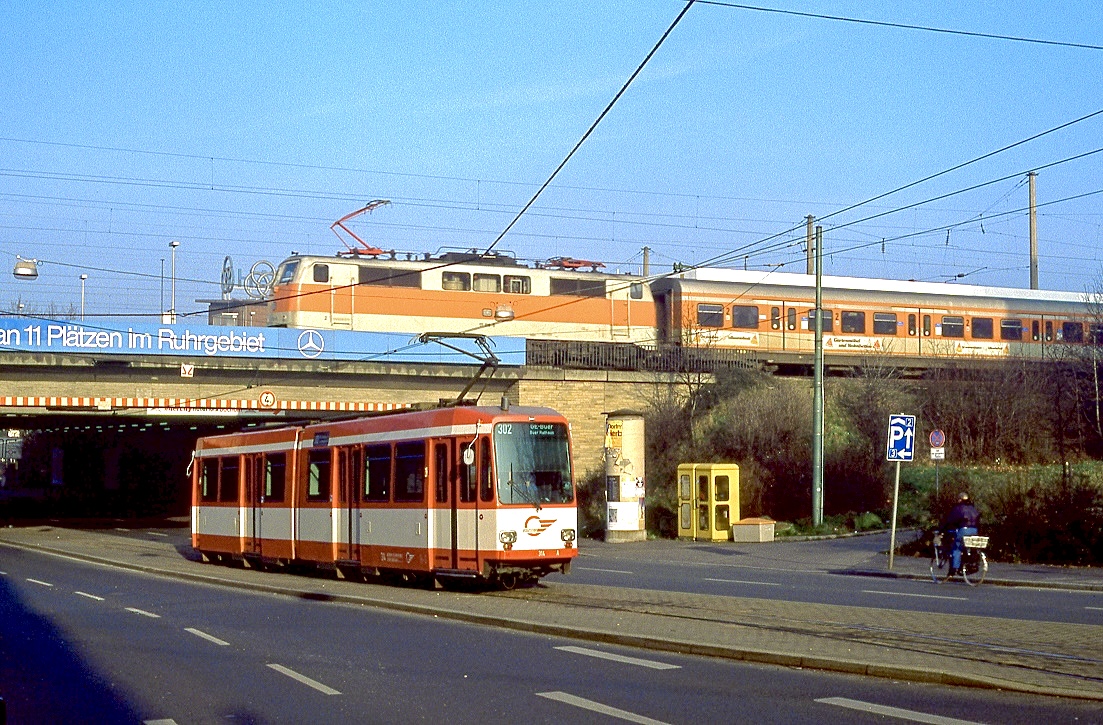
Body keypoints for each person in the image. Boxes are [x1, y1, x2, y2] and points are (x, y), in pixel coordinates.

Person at [941, 492, 980, 573]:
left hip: (964, 530)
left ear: (960, 499)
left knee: (956, 547)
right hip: (974, 530)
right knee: (967, 545)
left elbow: (950, 520)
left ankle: (955, 568)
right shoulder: (973, 508)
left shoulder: (958, 508)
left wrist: (942, 529)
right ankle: (969, 563)